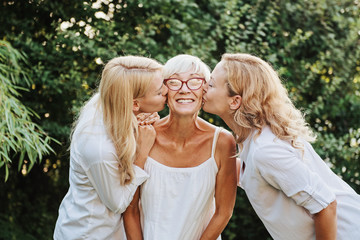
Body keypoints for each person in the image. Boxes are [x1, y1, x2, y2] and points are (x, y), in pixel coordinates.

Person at [202, 53, 360, 240]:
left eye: (210, 84)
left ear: (235, 101)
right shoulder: (251, 141)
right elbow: (236, 172)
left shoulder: (266, 150)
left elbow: (325, 205)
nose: (203, 88)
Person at [124, 54, 237, 240]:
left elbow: (224, 212)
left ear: (204, 91)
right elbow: (130, 210)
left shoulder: (223, 142)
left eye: (194, 82)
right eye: (174, 82)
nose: (184, 90)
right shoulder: (143, 136)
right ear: (164, 91)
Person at [53, 55, 168, 240]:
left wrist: (139, 122)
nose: (167, 90)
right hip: (89, 234)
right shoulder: (98, 147)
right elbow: (119, 203)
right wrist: (142, 152)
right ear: (135, 103)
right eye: (159, 91)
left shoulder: (109, 99)